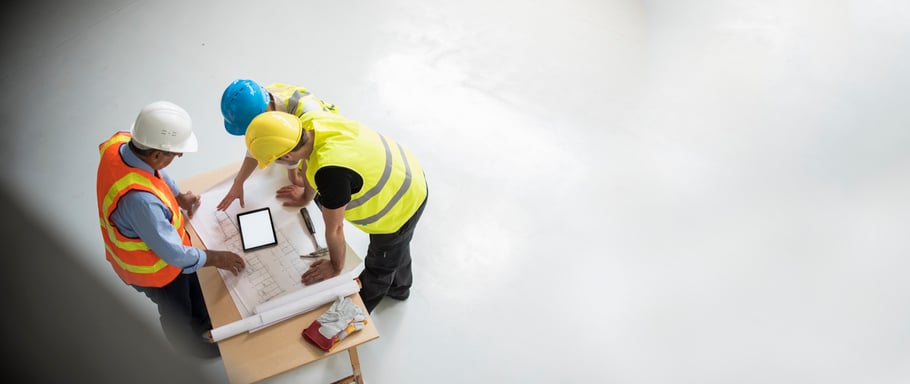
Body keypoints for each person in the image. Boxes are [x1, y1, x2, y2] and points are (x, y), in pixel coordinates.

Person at [96, 101, 247, 359]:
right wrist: (216, 257)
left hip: (164, 257)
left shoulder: (123, 143)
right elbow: (175, 255)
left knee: (193, 289)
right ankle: (191, 348)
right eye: (175, 153)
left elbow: (154, 172)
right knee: (178, 311)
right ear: (156, 154)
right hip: (153, 273)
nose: (180, 157)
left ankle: (204, 319)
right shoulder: (140, 201)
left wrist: (178, 196)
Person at [244, 110, 428, 313]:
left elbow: (336, 229)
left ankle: (355, 315)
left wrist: (335, 265)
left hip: (400, 206)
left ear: (287, 155)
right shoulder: (309, 122)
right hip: (407, 172)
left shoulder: (330, 173)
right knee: (398, 247)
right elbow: (308, 163)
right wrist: (307, 195)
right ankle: (400, 289)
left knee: (380, 266)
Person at [216, 79, 339, 211]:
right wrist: (239, 181)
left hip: (328, 149)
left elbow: (312, 160)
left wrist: (304, 194)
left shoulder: (308, 118)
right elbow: (258, 141)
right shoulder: (263, 101)